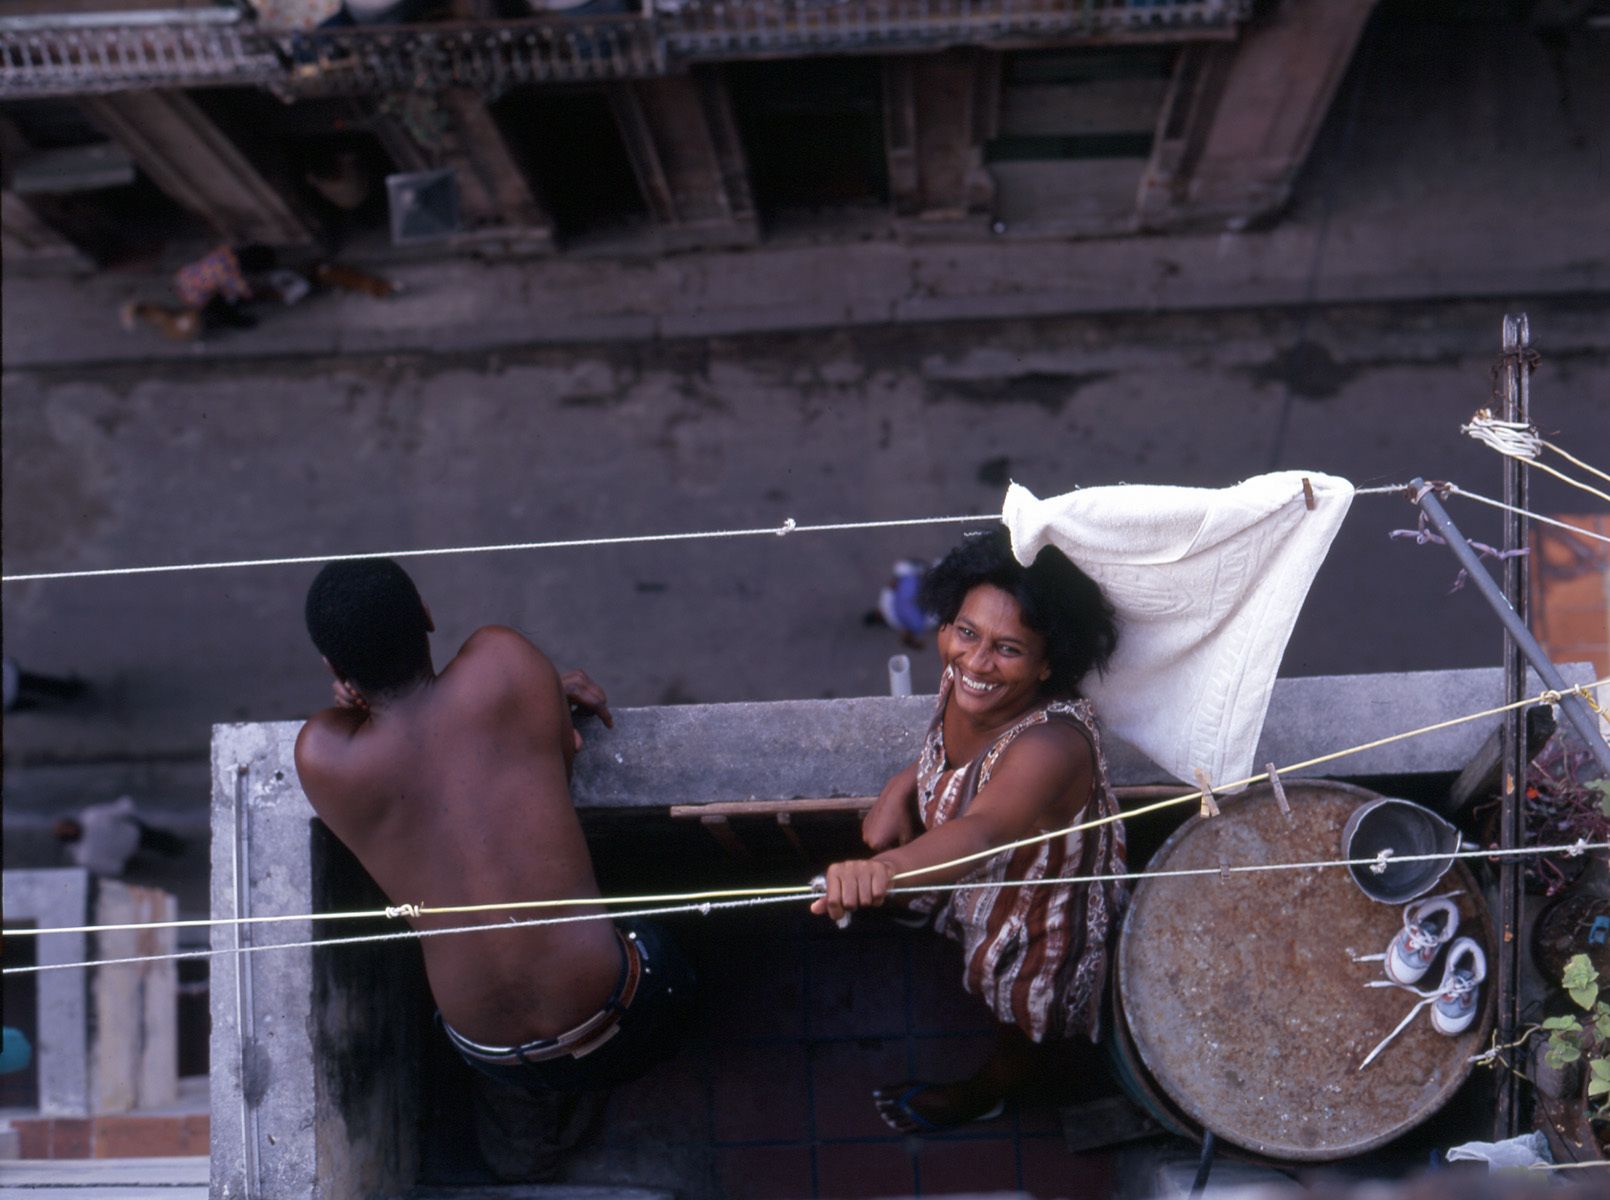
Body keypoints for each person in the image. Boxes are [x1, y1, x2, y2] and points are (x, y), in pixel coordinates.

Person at [294, 558, 694, 1099]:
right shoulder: (504, 660)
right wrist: (544, 691)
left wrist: (356, 690)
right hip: (621, 1008)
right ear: (428, 617)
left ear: (333, 670)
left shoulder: (320, 756)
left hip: (491, 1058)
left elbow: (387, 733)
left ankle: (536, 1122)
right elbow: (557, 763)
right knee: (679, 926)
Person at [812, 527, 1125, 1133]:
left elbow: (983, 831)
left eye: (1008, 649)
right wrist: (903, 785)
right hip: (971, 883)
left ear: (1047, 664)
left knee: (1025, 1021)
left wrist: (884, 870)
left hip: (1036, 918)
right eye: (965, 632)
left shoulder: (1050, 745)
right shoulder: (972, 684)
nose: (976, 663)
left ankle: (984, 1096)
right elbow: (954, 756)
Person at [53, 795, 185, 878]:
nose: (71, 830)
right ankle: (177, 851)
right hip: (130, 855)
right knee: (157, 849)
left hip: (134, 834)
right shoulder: (84, 856)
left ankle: (178, 849)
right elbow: (109, 867)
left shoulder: (91, 817)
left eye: (68, 826)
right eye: (67, 831)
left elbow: (115, 811)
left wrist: (126, 808)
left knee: (161, 840)